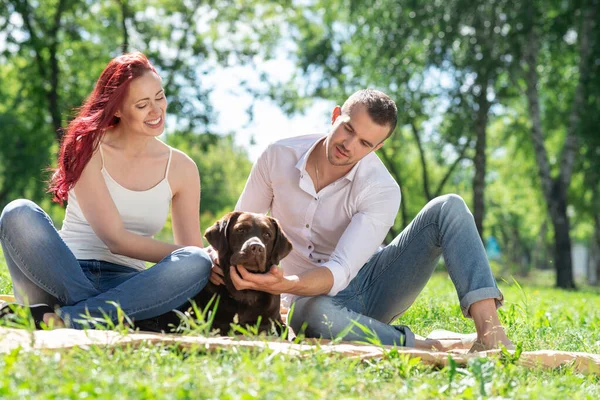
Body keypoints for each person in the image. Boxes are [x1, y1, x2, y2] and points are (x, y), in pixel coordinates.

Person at [210, 89, 513, 351]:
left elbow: (341, 269)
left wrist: (284, 283)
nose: (350, 145)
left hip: (368, 286)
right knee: (312, 314)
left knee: (449, 206)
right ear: (336, 115)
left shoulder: (381, 187)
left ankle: (490, 333)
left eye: (365, 144)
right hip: (305, 302)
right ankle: (425, 343)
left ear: (377, 148)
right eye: (348, 129)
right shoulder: (278, 156)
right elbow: (239, 229)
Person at [0, 52, 211, 329]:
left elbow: (189, 249)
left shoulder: (182, 167)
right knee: (18, 212)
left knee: (197, 261)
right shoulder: (87, 147)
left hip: (130, 284)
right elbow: (115, 239)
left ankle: (61, 318)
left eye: (160, 97)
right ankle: (109, 316)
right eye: (142, 105)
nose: (156, 111)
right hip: (63, 273)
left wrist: (202, 258)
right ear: (118, 110)